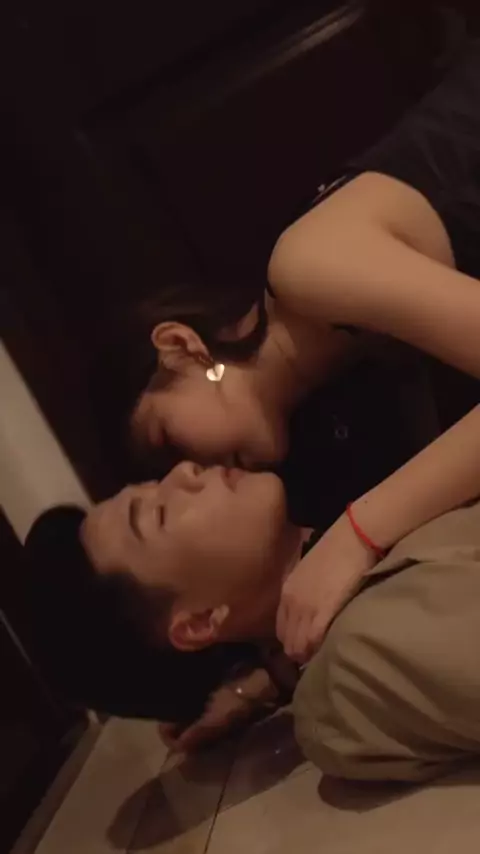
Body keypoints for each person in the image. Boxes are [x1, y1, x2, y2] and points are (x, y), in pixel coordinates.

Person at [128, 39, 480, 662]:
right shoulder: (344, 386)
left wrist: (361, 533)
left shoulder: (302, 267)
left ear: (180, 348)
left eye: (168, 438)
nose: (190, 471)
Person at [26, 461, 480, 779]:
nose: (183, 472)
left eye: (153, 484)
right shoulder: (355, 662)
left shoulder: (355, 483)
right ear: (200, 622)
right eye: (159, 514)